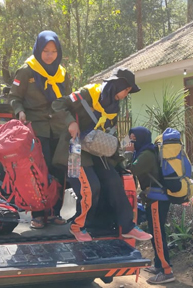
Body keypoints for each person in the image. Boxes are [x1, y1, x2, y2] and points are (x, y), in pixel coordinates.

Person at [52, 67, 152, 242]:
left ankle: (128, 226)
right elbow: (58, 104)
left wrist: (120, 163)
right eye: (126, 89)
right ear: (117, 84)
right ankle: (78, 226)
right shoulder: (86, 94)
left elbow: (107, 135)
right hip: (73, 150)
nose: (126, 94)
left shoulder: (114, 108)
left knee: (114, 180)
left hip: (95, 151)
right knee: (90, 187)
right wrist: (71, 123)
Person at [9, 30, 68, 229]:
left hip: (58, 129)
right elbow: (14, 98)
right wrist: (20, 112)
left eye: (53, 51)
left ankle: (55, 212)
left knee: (58, 170)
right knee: (38, 173)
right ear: (38, 50)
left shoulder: (62, 74)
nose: (49, 55)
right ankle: (38, 214)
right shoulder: (26, 71)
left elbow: (68, 101)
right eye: (45, 51)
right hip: (37, 128)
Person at [125, 127, 178, 284]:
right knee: (157, 233)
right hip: (154, 198)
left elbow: (132, 169)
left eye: (133, 139)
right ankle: (159, 265)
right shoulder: (145, 152)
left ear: (141, 139)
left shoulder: (146, 155)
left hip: (157, 199)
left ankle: (167, 271)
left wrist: (127, 154)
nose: (131, 142)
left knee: (158, 234)